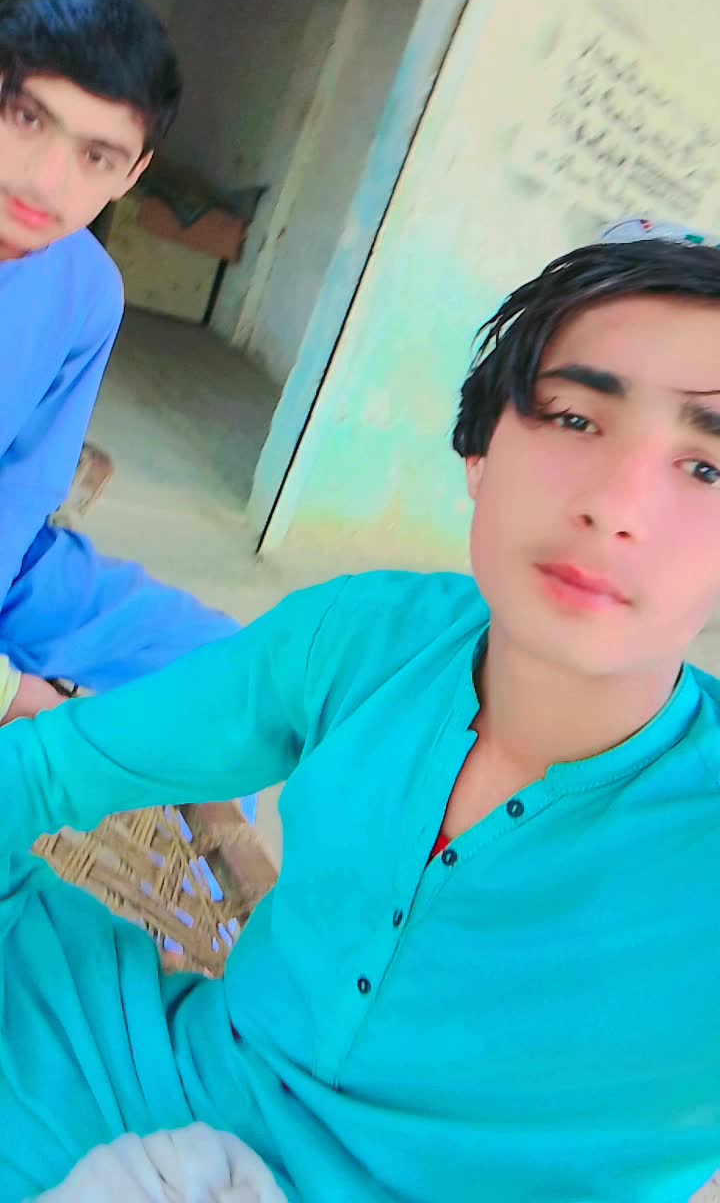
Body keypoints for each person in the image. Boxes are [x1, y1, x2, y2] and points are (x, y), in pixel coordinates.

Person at [3, 236, 720, 1202]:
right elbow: (47, 770)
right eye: (574, 417)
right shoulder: (364, 637)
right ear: (480, 450)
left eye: (706, 468)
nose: (615, 507)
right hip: (160, 1094)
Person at [0, 0, 237, 721]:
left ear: (132, 174)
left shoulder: (88, 290)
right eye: (26, 118)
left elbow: (19, 498)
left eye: (96, 157)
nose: (45, 181)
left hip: (10, 570)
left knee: (242, 674)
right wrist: (11, 691)